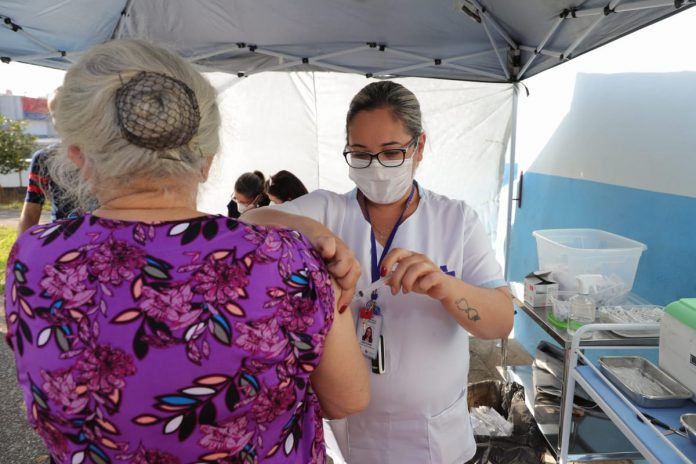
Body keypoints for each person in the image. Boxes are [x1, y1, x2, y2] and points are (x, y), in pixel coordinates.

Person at [4, 39, 368, 464]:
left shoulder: (35, 259)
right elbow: (348, 398)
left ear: (79, 158)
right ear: (208, 160)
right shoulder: (286, 260)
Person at [243, 81, 514, 463]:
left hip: (436, 440)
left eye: (391, 153)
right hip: (352, 438)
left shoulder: (455, 220)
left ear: (419, 147)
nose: (376, 168)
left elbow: (501, 322)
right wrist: (312, 230)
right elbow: (247, 224)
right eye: (360, 154)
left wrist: (447, 288)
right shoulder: (328, 210)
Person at [18, 89, 83, 234]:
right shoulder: (44, 159)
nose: (66, 119)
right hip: (61, 244)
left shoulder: (107, 155)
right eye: (57, 115)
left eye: (72, 111)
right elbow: (30, 213)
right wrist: (20, 250)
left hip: (104, 244)